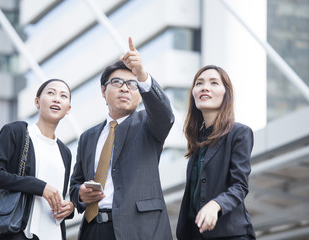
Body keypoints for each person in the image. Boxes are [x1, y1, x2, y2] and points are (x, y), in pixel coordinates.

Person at [69, 37, 174, 240]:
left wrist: (142, 75)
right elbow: (75, 184)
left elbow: (166, 115)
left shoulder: (149, 124)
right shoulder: (88, 137)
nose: (125, 88)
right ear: (103, 91)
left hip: (139, 230)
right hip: (93, 230)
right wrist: (80, 194)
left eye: (132, 85)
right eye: (117, 82)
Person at [0, 79, 75, 240]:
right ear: (37, 102)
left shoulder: (65, 152)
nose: (56, 99)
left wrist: (69, 208)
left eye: (63, 96)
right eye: (51, 93)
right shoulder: (17, 132)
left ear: (68, 109)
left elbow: (57, 198)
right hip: (20, 233)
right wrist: (40, 187)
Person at [176, 65, 256, 240]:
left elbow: (240, 186)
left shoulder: (239, 133)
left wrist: (215, 204)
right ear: (193, 94)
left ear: (226, 93)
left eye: (214, 83)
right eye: (199, 83)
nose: (205, 87)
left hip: (231, 234)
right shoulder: (197, 141)